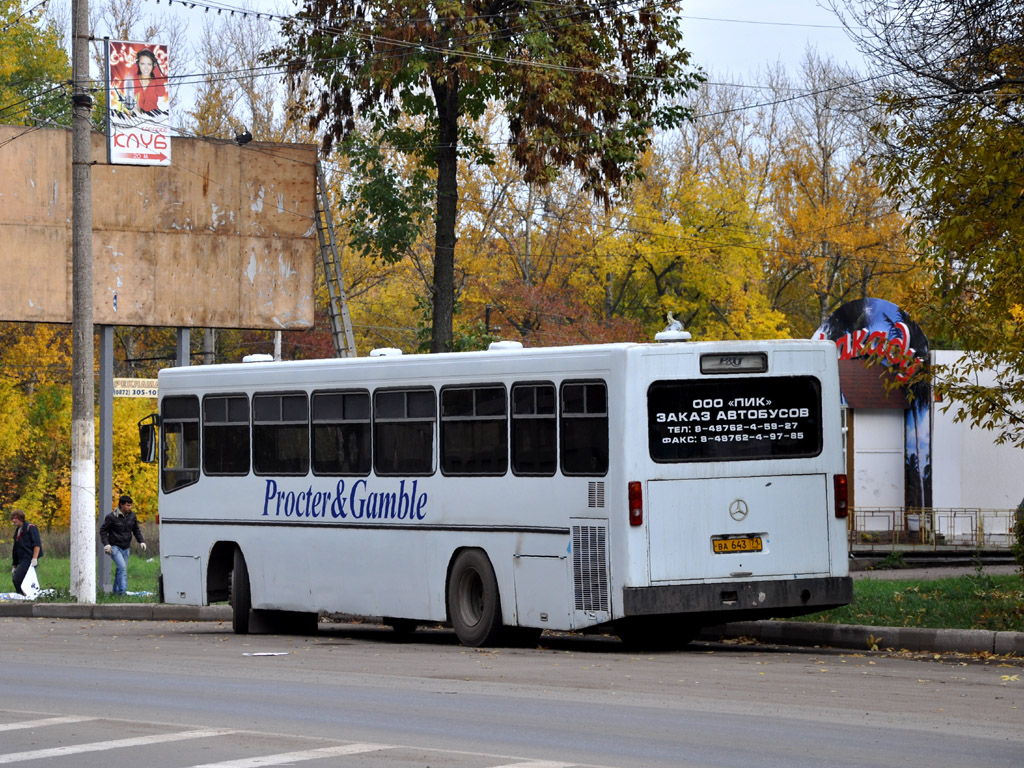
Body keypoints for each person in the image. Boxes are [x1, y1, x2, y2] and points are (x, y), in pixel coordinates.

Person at [99, 495, 147, 595]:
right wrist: (106, 544)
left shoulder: (132, 516)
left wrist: (141, 541)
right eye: (128, 505)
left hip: (126, 547)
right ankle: (122, 592)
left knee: (120, 569)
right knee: (122, 567)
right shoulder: (111, 517)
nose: (130, 508)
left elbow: (136, 530)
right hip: (114, 546)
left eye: (130, 506)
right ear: (121, 505)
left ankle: (116, 593)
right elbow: (103, 531)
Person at [123, 49, 168, 114]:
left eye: (149, 64)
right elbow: (124, 88)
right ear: (138, 64)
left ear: (153, 65)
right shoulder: (134, 79)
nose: (146, 67)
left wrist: (157, 72)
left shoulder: (156, 81)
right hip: (135, 118)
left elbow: (161, 93)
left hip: (154, 117)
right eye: (142, 64)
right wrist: (134, 67)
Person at [10, 509, 41, 596]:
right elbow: (15, 549)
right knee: (21, 578)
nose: (13, 520)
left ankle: (22, 595)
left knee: (17, 579)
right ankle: (24, 595)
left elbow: (37, 544)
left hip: (29, 558)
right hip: (21, 559)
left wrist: (34, 558)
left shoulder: (30, 528)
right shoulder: (17, 531)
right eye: (13, 518)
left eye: (16, 518)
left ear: (21, 518)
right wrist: (15, 565)